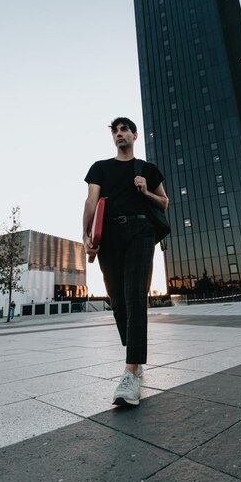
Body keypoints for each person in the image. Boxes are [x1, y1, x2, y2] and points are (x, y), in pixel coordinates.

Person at [83, 117, 168, 407]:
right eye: (115, 131)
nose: (120, 134)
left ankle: (132, 370)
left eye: (124, 130)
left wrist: (146, 191)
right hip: (109, 236)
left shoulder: (146, 169)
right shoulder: (100, 167)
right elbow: (91, 201)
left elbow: (164, 202)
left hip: (140, 231)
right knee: (117, 300)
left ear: (134, 135)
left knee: (135, 296)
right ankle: (134, 352)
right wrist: (87, 237)